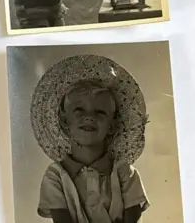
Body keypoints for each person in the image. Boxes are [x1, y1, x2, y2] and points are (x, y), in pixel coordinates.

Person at [30, 55, 150, 223]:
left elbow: (133, 212)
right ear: (65, 121)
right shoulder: (56, 175)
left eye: (100, 112)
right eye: (79, 110)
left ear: (111, 126)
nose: (89, 117)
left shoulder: (124, 171)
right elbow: (61, 218)